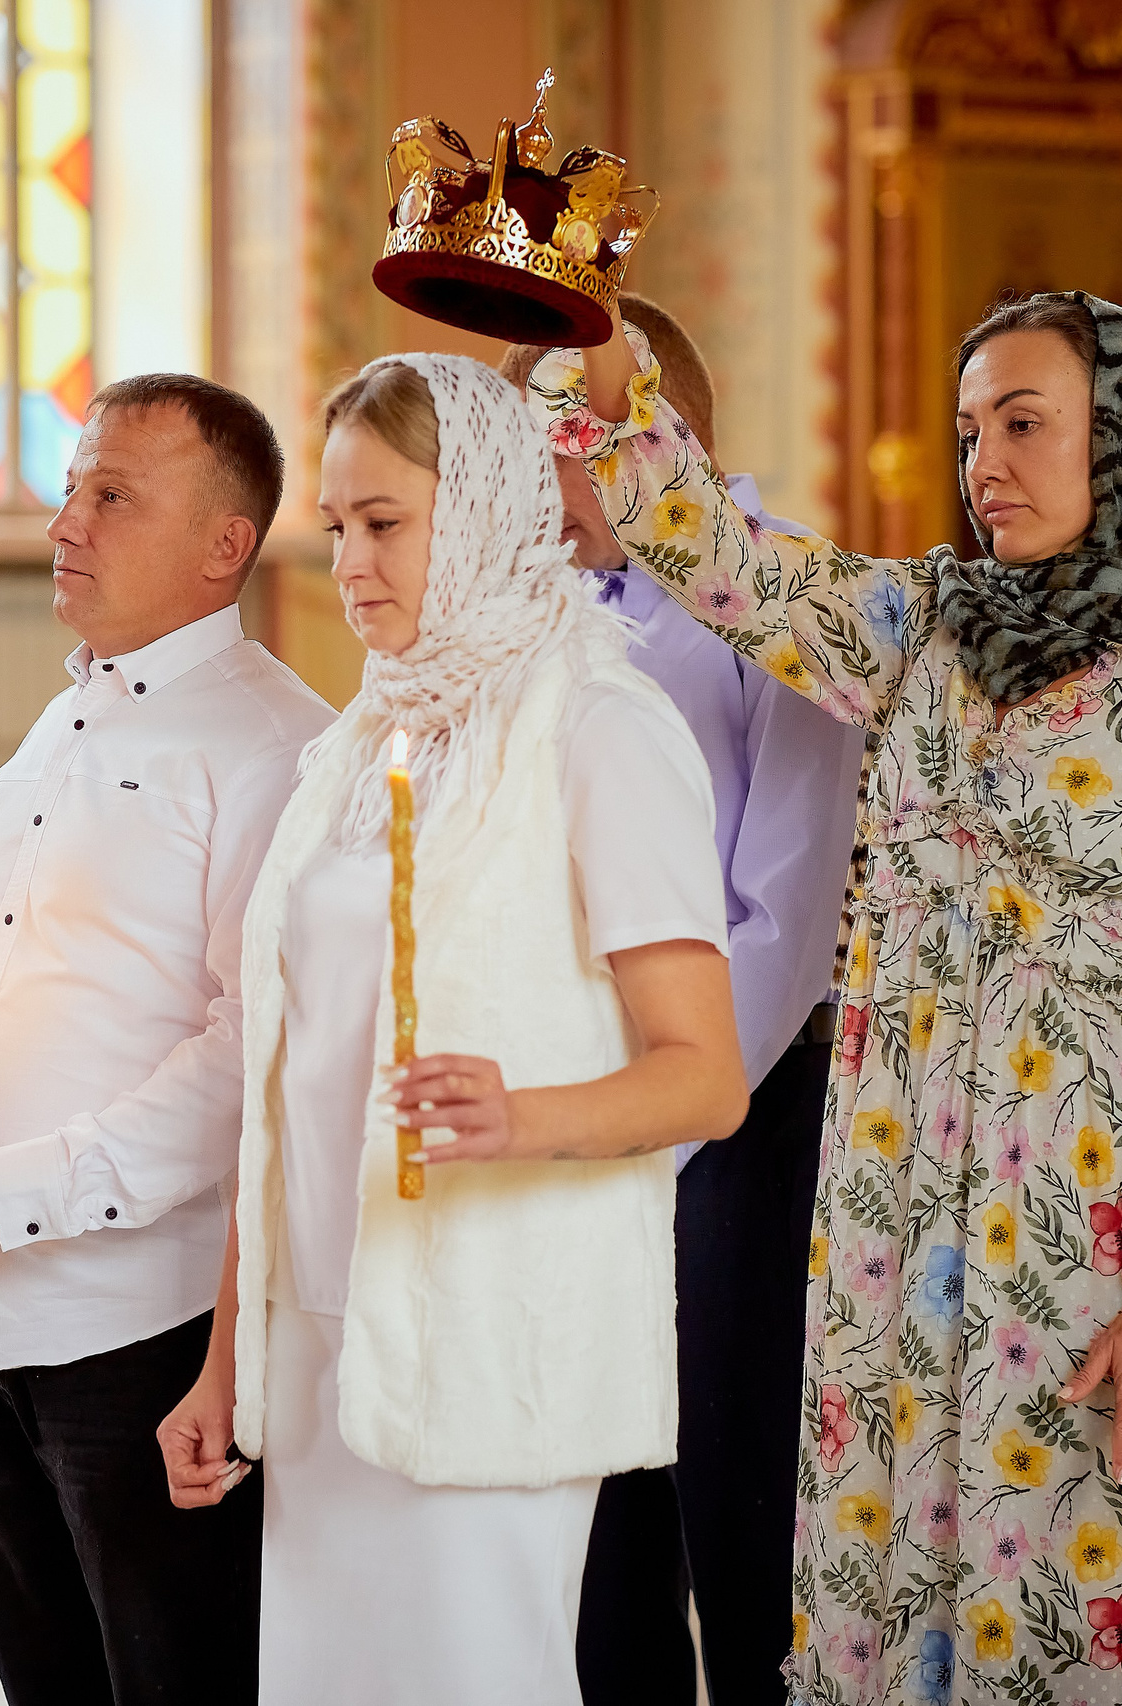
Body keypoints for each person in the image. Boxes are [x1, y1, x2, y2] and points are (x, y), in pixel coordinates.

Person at [537, 291, 1122, 1704]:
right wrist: (601, 345)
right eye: (971, 432)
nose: (987, 465)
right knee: (879, 1614)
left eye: (1026, 424)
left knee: (1077, 1621)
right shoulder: (918, 634)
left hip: (1080, 1282)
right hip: (888, 1265)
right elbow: (722, 558)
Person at [156, 353, 751, 1706]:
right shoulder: (353, 748)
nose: (349, 563)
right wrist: (224, 1363)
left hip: (496, 1338)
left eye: (386, 524)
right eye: (339, 525)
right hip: (321, 1345)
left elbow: (705, 1077)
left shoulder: (598, 724)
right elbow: (278, 1079)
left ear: (481, 509)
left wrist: (519, 1114)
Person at [0, 373, 333, 1705]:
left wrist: (16, 1192)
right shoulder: (63, 719)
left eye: (113, 494)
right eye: (70, 486)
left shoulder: (277, 745)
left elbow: (251, 1058)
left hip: (146, 1327)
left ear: (224, 544)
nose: (68, 521)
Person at [499, 299, 866, 1706]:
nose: (541, 481)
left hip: (738, 1118)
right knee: (603, 1514)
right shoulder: (540, 611)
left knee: (738, 1489)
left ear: (659, 432)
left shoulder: (782, 607)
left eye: (566, 442)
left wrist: (670, 1109)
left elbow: (786, 912)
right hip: (575, 1111)